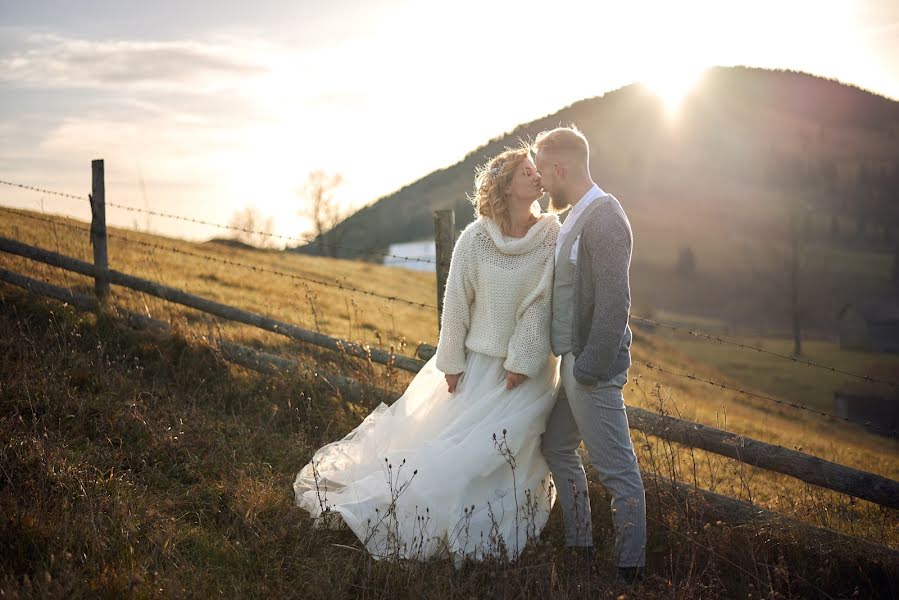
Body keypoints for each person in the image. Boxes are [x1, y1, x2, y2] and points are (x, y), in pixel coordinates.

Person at [294, 145, 562, 564]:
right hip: (477, 367)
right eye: (527, 171)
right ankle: (428, 523)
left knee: (509, 451)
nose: (537, 176)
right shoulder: (475, 240)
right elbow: (455, 305)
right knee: (453, 452)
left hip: (527, 374)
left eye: (536, 171)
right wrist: (452, 364)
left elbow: (542, 303)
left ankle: (501, 533)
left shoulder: (551, 235)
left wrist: (522, 362)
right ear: (507, 187)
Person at [534, 126, 647, 584]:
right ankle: (580, 546)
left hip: (591, 370)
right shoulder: (576, 216)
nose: (541, 182)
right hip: (573, 364)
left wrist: (589, 370)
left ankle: (630, 572)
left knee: (617, 470)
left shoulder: (605, 217)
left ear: (560, 168)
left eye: (543, 172)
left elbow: (615, 302)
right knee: (556, 445)